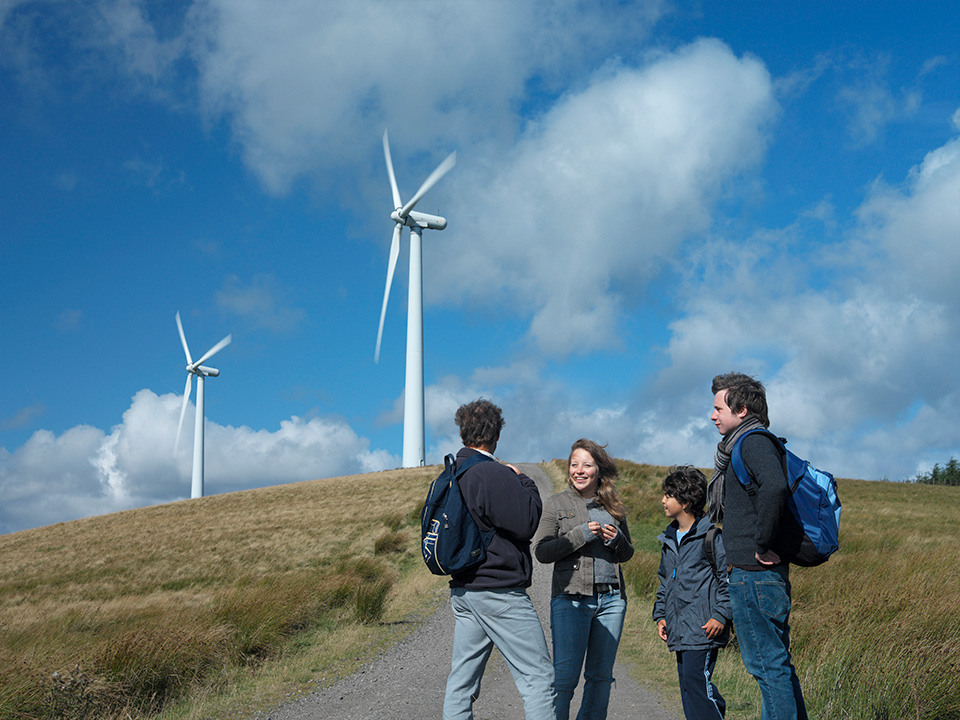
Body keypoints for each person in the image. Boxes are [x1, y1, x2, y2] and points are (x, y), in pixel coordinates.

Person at [442, 398, 556, 720]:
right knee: (538, 679)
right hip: (499, 591)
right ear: (496, 435)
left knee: (461, 685)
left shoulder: (453, 473)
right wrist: (523, 480)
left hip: (464, 592)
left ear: (463, 432)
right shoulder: (490, 473)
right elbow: (527, 522)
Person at [708, 372, 808, 720]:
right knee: (776, 666)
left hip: (754, 575)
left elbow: (775, 487)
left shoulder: (753, 442)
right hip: (755, 576)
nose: (713, 414)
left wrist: (761, 544)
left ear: (743, 409)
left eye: (719, 407)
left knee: (768, 667)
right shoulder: (746, 443)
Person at [534, 438, 634, 720]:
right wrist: (579, 535)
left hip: (612, 600)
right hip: (570, 600)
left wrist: (617, 541)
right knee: (565, 679)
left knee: (601, 678)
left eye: (586, 465)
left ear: (598, 470)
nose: (579, 470)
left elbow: (627, 553)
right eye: (574, 464)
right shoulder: (555, 504)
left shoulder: (614, 506)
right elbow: (541, 552)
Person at [653, 465, 730, 720]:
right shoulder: (669, 538)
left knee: (698, 685)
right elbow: (666, 581)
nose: (663, 500)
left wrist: (720, 615)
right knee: (689, 687)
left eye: (668, 495)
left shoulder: (711, 537)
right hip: (679, 629)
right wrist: (661, 615)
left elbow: (727, 580)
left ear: (685, 502)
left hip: (704, 629)